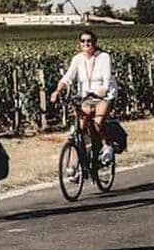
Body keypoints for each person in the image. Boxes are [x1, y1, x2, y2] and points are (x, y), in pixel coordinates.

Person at [50, 30, 118, 166]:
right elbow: (68, 77)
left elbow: (106, 76)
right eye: (83, 41)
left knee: (98, 122)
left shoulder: (104, 57)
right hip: (86, 97)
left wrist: (104, 89)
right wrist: (57, 91)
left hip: (104, 96)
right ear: (79, 43)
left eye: (89, 41)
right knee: (80, 127)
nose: (86, 43)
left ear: (94, 42)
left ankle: (107, 145)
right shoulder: (78, 59)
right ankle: (82, 160)